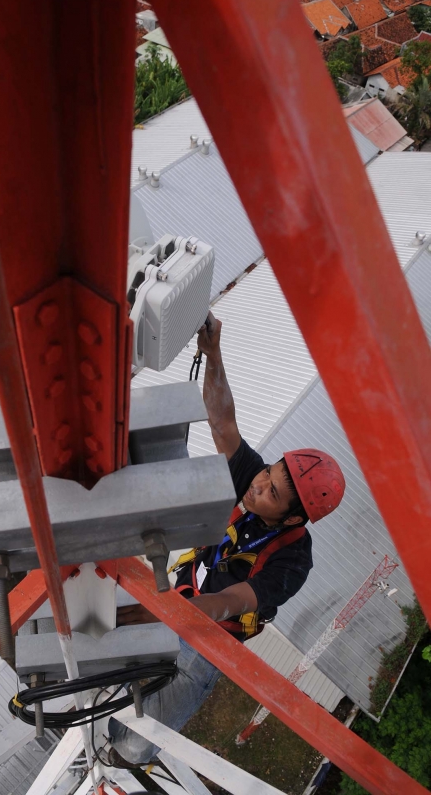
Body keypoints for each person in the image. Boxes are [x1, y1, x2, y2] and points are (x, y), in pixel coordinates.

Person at [109, 311, 345, 767]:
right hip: (178, 593)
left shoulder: (293, 561)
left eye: (272, 491)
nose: (258, 485)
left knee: (135, 741)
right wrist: (213, 352)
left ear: (294, 517)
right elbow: (222, 424)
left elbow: (231, 602)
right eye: (268, 472)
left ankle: (122, 764)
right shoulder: (253, 477)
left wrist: (165, 614)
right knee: (106, 673)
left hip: (208, 639)